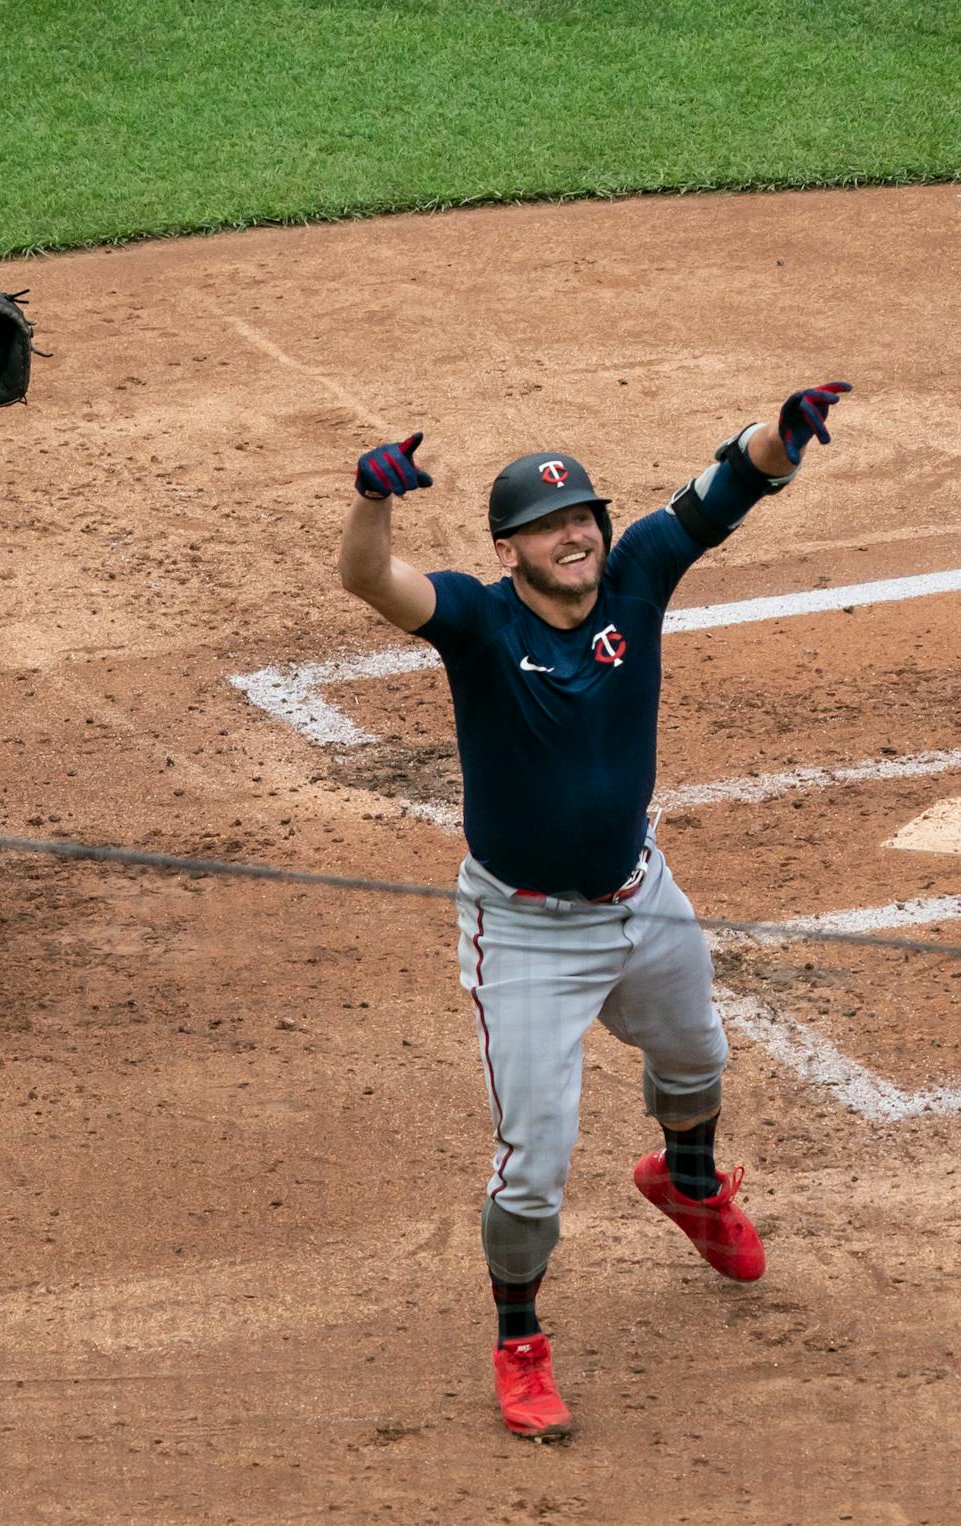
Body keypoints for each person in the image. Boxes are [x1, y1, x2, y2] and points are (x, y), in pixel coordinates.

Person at [336, 382, 852, 1439]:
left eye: (583, 517)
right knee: (533, 1166)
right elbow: (369, 579)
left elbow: (722, 490)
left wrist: (783, 432)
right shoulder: (478, 621)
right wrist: (372, 498)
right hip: (523, 929)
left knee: (699, 1057)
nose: (574, 535)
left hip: (641, 894)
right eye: (545, 525)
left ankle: (689, 1177)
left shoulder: (635, 579)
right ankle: (520, 1342)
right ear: (509, 548)